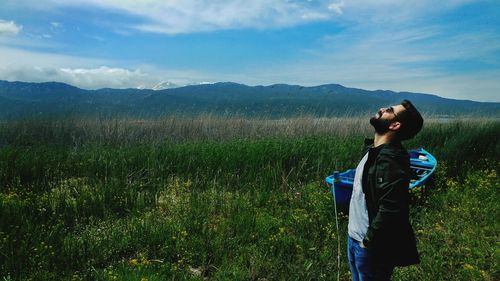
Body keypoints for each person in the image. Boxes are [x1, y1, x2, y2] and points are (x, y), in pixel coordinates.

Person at [347, 100, 423, 281]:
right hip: (355, 237)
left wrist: (368, 242)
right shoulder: (375, 151)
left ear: (395, 125)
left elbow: (391, 208)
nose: (382, 108)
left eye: (389, 110)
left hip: (370, 247)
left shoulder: (391, 160)